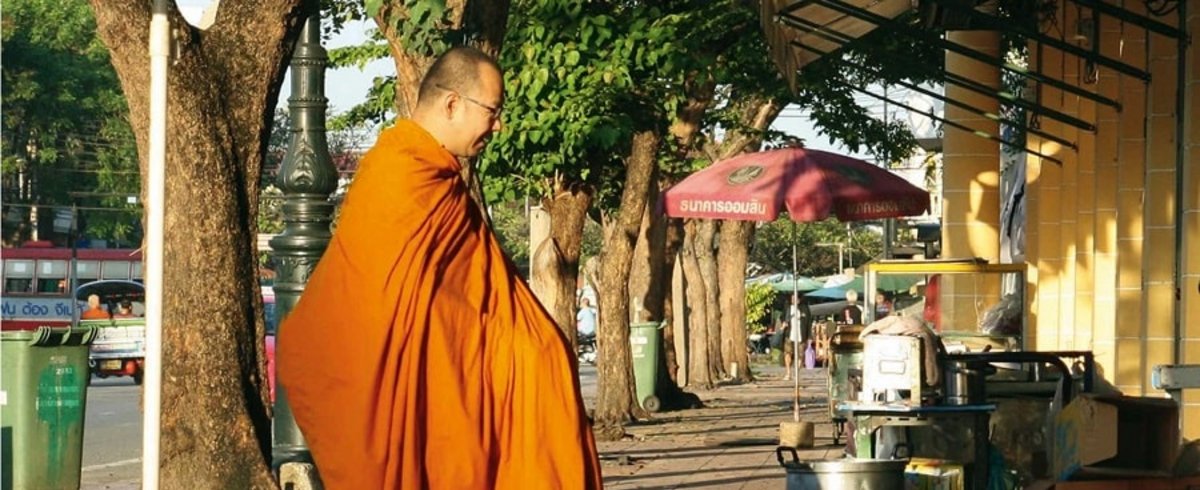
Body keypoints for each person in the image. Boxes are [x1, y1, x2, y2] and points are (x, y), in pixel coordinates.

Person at [278, 47, 601, 489]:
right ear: (452, 104)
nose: (498, 125)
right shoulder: (400, 173)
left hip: (453, 380)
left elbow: (475, 290)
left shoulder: (440, 180)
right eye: (493, 111)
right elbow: (378, 302)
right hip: (424, 390)